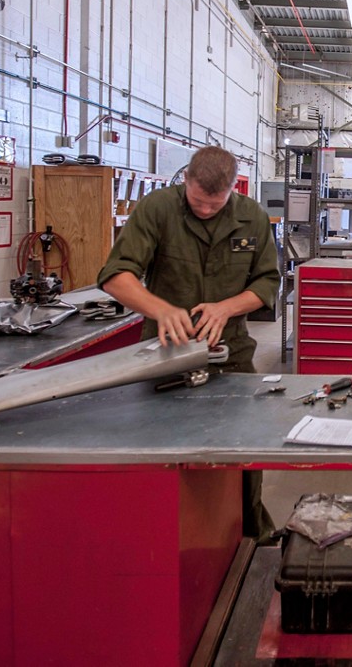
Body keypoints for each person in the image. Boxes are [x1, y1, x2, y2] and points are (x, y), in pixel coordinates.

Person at [98, 145, 280, 540]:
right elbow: (116, 275)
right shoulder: (157, 209)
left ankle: (248, 532)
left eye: (215, 204)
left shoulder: (252, 217)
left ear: (233, 190)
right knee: (165, 450)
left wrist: (226, 308)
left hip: (229, 354)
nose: (206, 210)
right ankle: (164, 536)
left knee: (243, 449)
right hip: (166, 354)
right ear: (186, 181)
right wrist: (160, 309)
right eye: (198, 201)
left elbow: (267, 282)